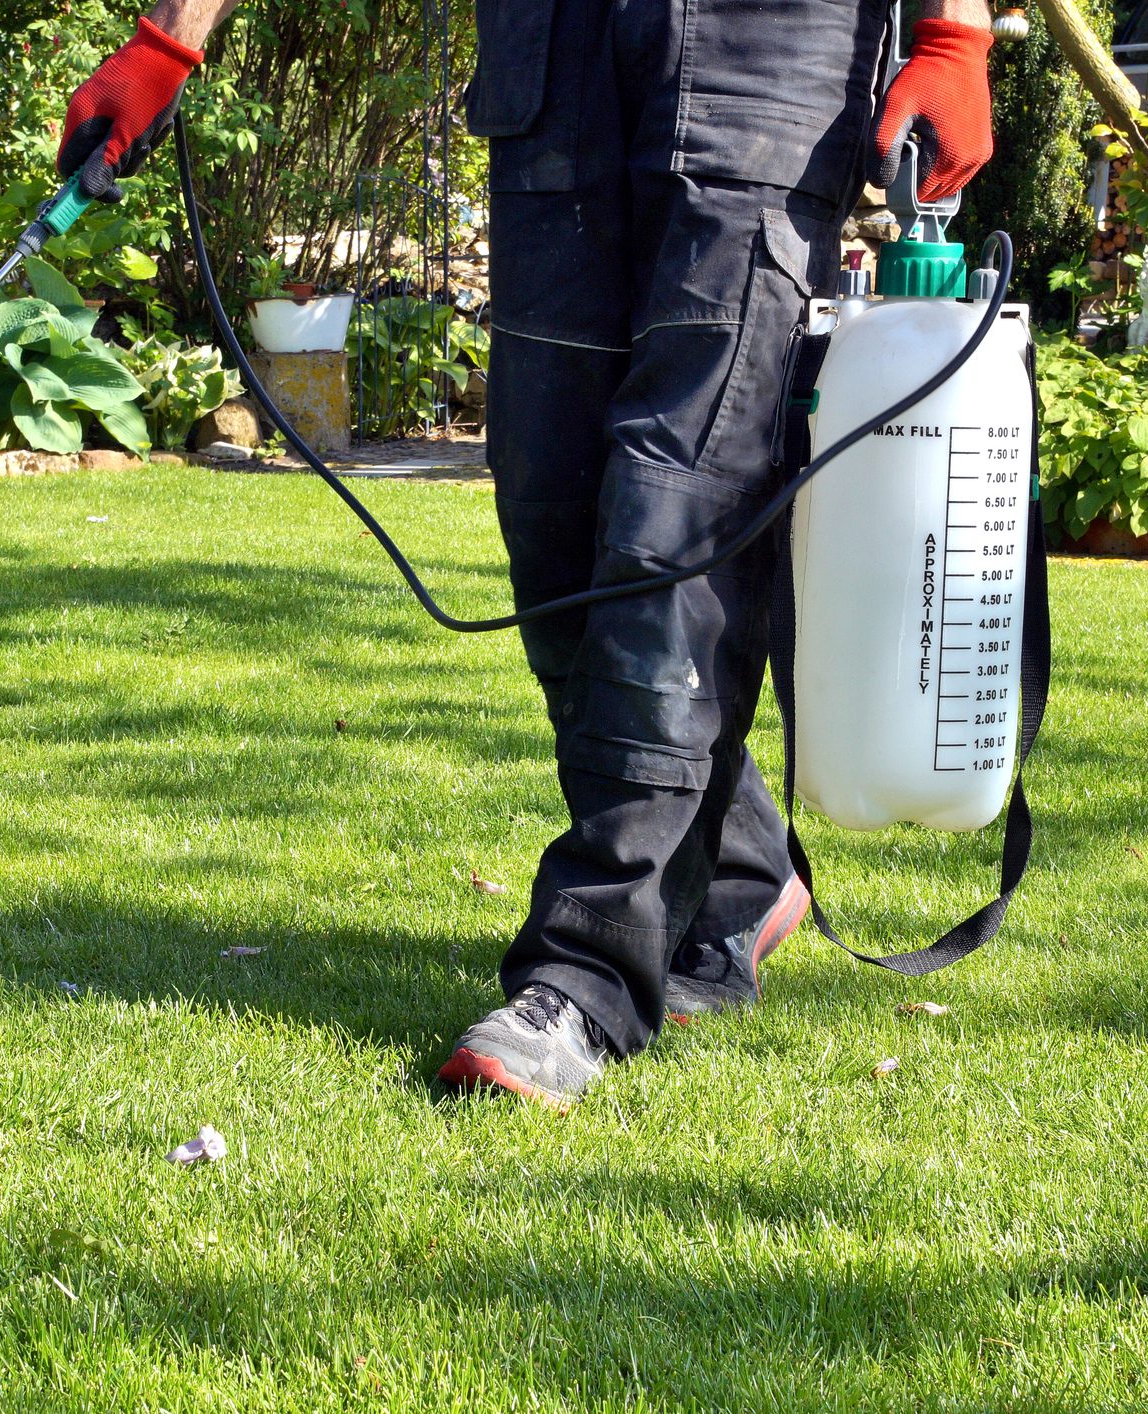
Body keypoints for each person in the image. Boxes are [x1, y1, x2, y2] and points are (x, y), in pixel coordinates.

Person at [58, 0, 995, 1107]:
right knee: (552, 519)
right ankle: (739, 873)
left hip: (768, 54)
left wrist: (955, 34)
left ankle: (585, 971)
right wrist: (167, 39)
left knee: (674, 507)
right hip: (552, 54)